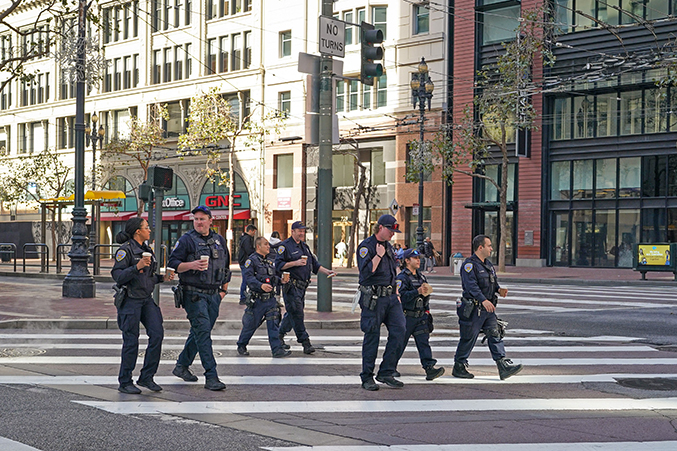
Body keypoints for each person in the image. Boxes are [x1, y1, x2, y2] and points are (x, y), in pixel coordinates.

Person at [168, 205, 231, 391]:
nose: (199, 222)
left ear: (211, 220)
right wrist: (191, 265)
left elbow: (226, 266)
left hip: (214, 295)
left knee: (199, 333)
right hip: (193, 294)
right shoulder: (187, 240)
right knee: (203, 333)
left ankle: (181, 366)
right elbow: (173, 265)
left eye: (202, 219)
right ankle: (211, 376)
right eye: (196, 219)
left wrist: (223, 291)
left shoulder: (219, 240)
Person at [111, 217, 173, 394]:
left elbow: (148, 277)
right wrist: (136, 266)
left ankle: (147, 376)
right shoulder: (126, 250)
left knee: (157, 334)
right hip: (130, 300)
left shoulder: (147, 250)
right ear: (138, 231)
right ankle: (125, 381)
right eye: (146, 227)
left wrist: (162, 278)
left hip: (146, 299)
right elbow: (117, 275)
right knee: (131, 341)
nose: (149, 230)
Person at [453, 235, 523, 381]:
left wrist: (499, 290)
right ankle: (459, 365)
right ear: (480, 247)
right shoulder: (469, 265)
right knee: (468, 338)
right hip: (474, 308)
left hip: (488, 308)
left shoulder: (488, 265)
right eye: (489, 245)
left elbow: (492, 283)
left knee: (495, 334)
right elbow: (471, 286)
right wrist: (483, 300)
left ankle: (502, 365)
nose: (491, 248)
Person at [356, 214, 406, 391]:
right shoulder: (366, 247)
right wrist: (377, 256)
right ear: (380, 228)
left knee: (400, 331)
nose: (393, 234)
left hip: (391, 298)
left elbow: (394, 271)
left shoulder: (389, 247)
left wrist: (397, 292)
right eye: (390, 230)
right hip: (373, 298)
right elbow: (366, 273)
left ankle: (386, 371)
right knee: (372, 336)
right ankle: (367, 377)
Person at [276, 221, 336, 354]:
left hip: (302, 287)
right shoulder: (284, 247)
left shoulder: (305, 247)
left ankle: (278, 335)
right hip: (291, 286)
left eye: (303, 231)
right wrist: (295, 263)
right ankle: (305, 342)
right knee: (297, 314)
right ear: (293, 232)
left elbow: (314, 265)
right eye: (299, 230)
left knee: (292, 313)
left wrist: (327, 271)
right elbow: (278, 265)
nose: (302, 233)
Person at [236, 237, 291, 358]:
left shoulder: (269, 261)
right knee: (251, 325)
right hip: (257, 300)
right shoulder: (251, 261)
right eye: (265, 244)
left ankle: (277, 350)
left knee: (274, 325)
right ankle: (242, 344)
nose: (268, 246)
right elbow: (249, 278)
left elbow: (272, 278)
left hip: (270, 300)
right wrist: (260, 286)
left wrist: (281, 281)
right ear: (258, 246)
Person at [395, 248, 444, 381]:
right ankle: (390, 367)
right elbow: (401, 297)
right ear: (406, 261)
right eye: (415, 258)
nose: (418, 261)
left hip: (420, 316)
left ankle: (429, 368)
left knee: (424, 343)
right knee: (399, 343)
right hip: (407, 316)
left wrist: (427, 311)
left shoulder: (421, 276)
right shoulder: (402, 278)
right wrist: (417, 291)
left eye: (419, 258)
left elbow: (426, 295)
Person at [238, 224, 258, 305]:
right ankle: (243, 297)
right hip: (245, 262)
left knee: (246, 279)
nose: (254, 233)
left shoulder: (244, 238)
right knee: (246, 280)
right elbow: (249, 250)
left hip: (244, 261)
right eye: (253, 232)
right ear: (250, 230)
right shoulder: (247, 239)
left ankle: (245, 296)